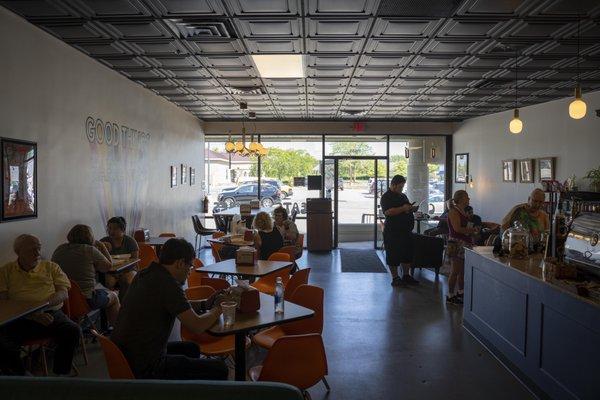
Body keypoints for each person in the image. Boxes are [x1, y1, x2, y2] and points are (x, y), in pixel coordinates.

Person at [110, 238, 229, 380]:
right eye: (189, 266)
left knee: (191, 348)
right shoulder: (168, 284)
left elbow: (176, 305)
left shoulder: (146, 273)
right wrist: (219, 308)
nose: (190, 272)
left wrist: (205, 304)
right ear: (179, 263)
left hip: (126, 356)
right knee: (220, 369)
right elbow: (197, 326)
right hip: (147, 367)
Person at [0, 235, 80, 376]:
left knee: (72, 330)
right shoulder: (6, 271)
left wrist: (44, 306)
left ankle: (60, 374)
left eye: (39, 248)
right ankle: (22, 375)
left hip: (50, 314)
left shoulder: (50, 267)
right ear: (19, 252)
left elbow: (63, 293)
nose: (38, 253)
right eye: (32, 250)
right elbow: (5, 302)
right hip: (19, 317)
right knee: (3, 342)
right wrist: (33, 315)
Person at [52, 224, 120, 326]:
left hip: (64, 299)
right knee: (114, 296)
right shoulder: (89, 250)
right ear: (90, 237)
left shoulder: (59, 249)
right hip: (86, 299)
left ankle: (81, 321)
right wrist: (101, 246)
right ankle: (116, 333)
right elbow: (108, 266)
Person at [381, 175, 419, 287]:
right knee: (393, 254)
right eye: (400, 187)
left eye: (403, 187)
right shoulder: (386, 197)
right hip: (393, 231)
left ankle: (406, 275)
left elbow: (406, 206)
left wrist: (411, 208)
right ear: (393, 185)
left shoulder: (403, 196)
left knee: (407, 253)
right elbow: (388, 212)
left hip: (406, 231)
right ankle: (395, 278)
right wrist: (403, 208)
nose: (402, 189)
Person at [446, 191, 478, 305]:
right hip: (456, 243)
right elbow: (457, 229)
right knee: (455, 271)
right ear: (460, 199)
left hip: (464, 243)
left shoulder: (463, 211)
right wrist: (472, 230)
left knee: (462, 271)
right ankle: (450, 295)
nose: (469, 198)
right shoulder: (453, 211)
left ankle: (461, 292)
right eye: (466, 197)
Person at [100, 216, 138, 292]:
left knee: (128, 280)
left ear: (123, 229)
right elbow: (98, 260)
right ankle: (113, 301)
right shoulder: (103, 241)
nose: (111, 231)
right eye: (109, 228)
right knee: (109, 282)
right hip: (110, 272)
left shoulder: (130, 241)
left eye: (115, 228)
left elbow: (134, 261)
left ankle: (127, 301)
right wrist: (101, 247)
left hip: (128, 270)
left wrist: (122, 273)